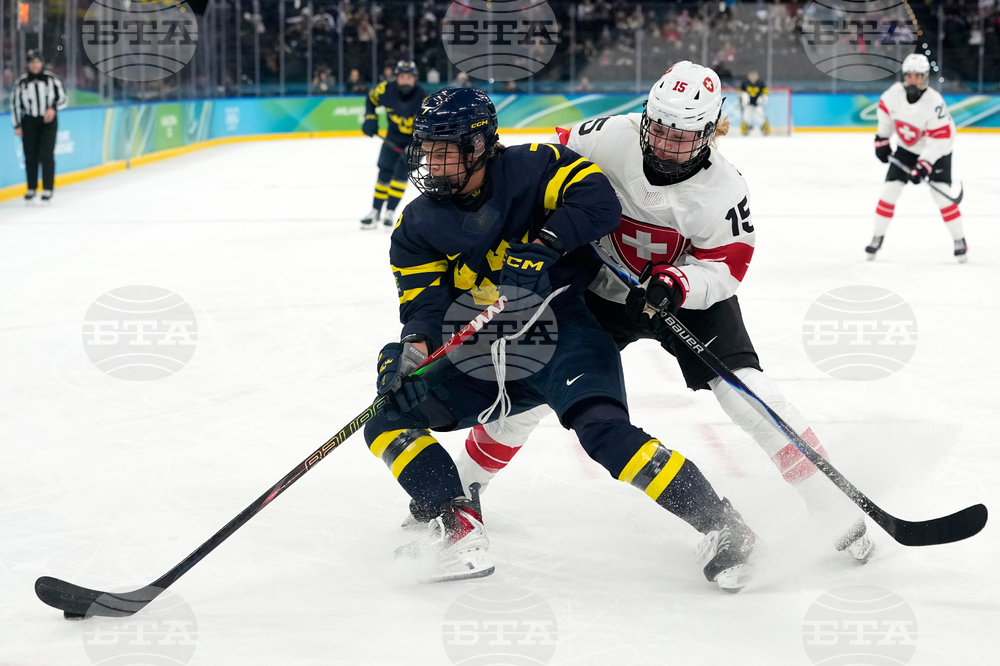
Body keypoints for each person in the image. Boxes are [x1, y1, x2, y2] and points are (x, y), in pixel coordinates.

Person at [410, 62, 875, 566]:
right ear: (645, 116)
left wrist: (678, 284)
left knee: (743, 390)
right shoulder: (605, 136)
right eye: (660, 128)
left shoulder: (725, 191)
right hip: (598, 289)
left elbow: (728, 265)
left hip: (683, 293)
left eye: (683, 136)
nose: (667, 144)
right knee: (541, 390)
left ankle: (829, 501)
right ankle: (466, 486)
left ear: (711, 130)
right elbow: (544, 172)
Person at [365, 86, 762, 591]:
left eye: (447, 150)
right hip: (490, 353)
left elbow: (599, 203)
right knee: (388, 414)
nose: (433, 163)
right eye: (428, 150)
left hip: (563, 334)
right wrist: (412, 354)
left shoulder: (534, 167)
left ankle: (725, 526)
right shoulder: (416, 225)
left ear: (481, 146)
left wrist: (546, 245)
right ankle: (456, 523)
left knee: (605, 434)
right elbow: (424, 307)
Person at [867, 53, 965, 262]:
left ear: (925, 78)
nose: (914, 80)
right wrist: (882, 141)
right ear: (905, 76)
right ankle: (877, 237)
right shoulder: (892, 95)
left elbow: (940, 140)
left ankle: (959, 240)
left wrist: (924, 165)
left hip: (938, 151)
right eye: (910, 75)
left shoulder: (934, 102)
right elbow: (885, 119)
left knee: (943, 196)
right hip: (906, 149)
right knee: (888, 191)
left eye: (918, 76)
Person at [359, 60, 427, 229]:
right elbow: (371, 99)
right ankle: (375, 211)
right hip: (393, 137)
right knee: (384, 171)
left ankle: (390, 211)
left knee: (401, 175)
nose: (405, 81)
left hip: (415, 140)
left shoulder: (424, 98)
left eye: (409, 77)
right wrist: (370, 118)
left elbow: (429, 127)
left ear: (415, 79)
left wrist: (416, 147)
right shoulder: (385, 90)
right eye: (402, 77)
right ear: (396, 78)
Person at [11, 50, 66, 203]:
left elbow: (63, 99)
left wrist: (53, 108)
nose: (35, 65)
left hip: (47, 122)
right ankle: (31, 187)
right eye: (32, 63)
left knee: (46, 154)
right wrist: (17, 125)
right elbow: (15, 105)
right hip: (29, 121)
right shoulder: (21, 83)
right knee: (30, 155)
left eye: (37, 62)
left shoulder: (52, 80)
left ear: (42, 63)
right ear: (28, 65)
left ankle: (48, 188)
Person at [739, 70, 770, 136]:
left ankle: (766, 130)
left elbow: (765, 91)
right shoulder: (745, 83)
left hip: (758, 104)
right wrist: (743, 96)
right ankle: (744, 131)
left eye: (754, 75)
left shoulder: (760, 83)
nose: (753, 77)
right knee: (746, 117)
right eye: (751, 75)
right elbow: (740, 91)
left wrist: (763, 97)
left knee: (761, 117)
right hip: (748, 104)